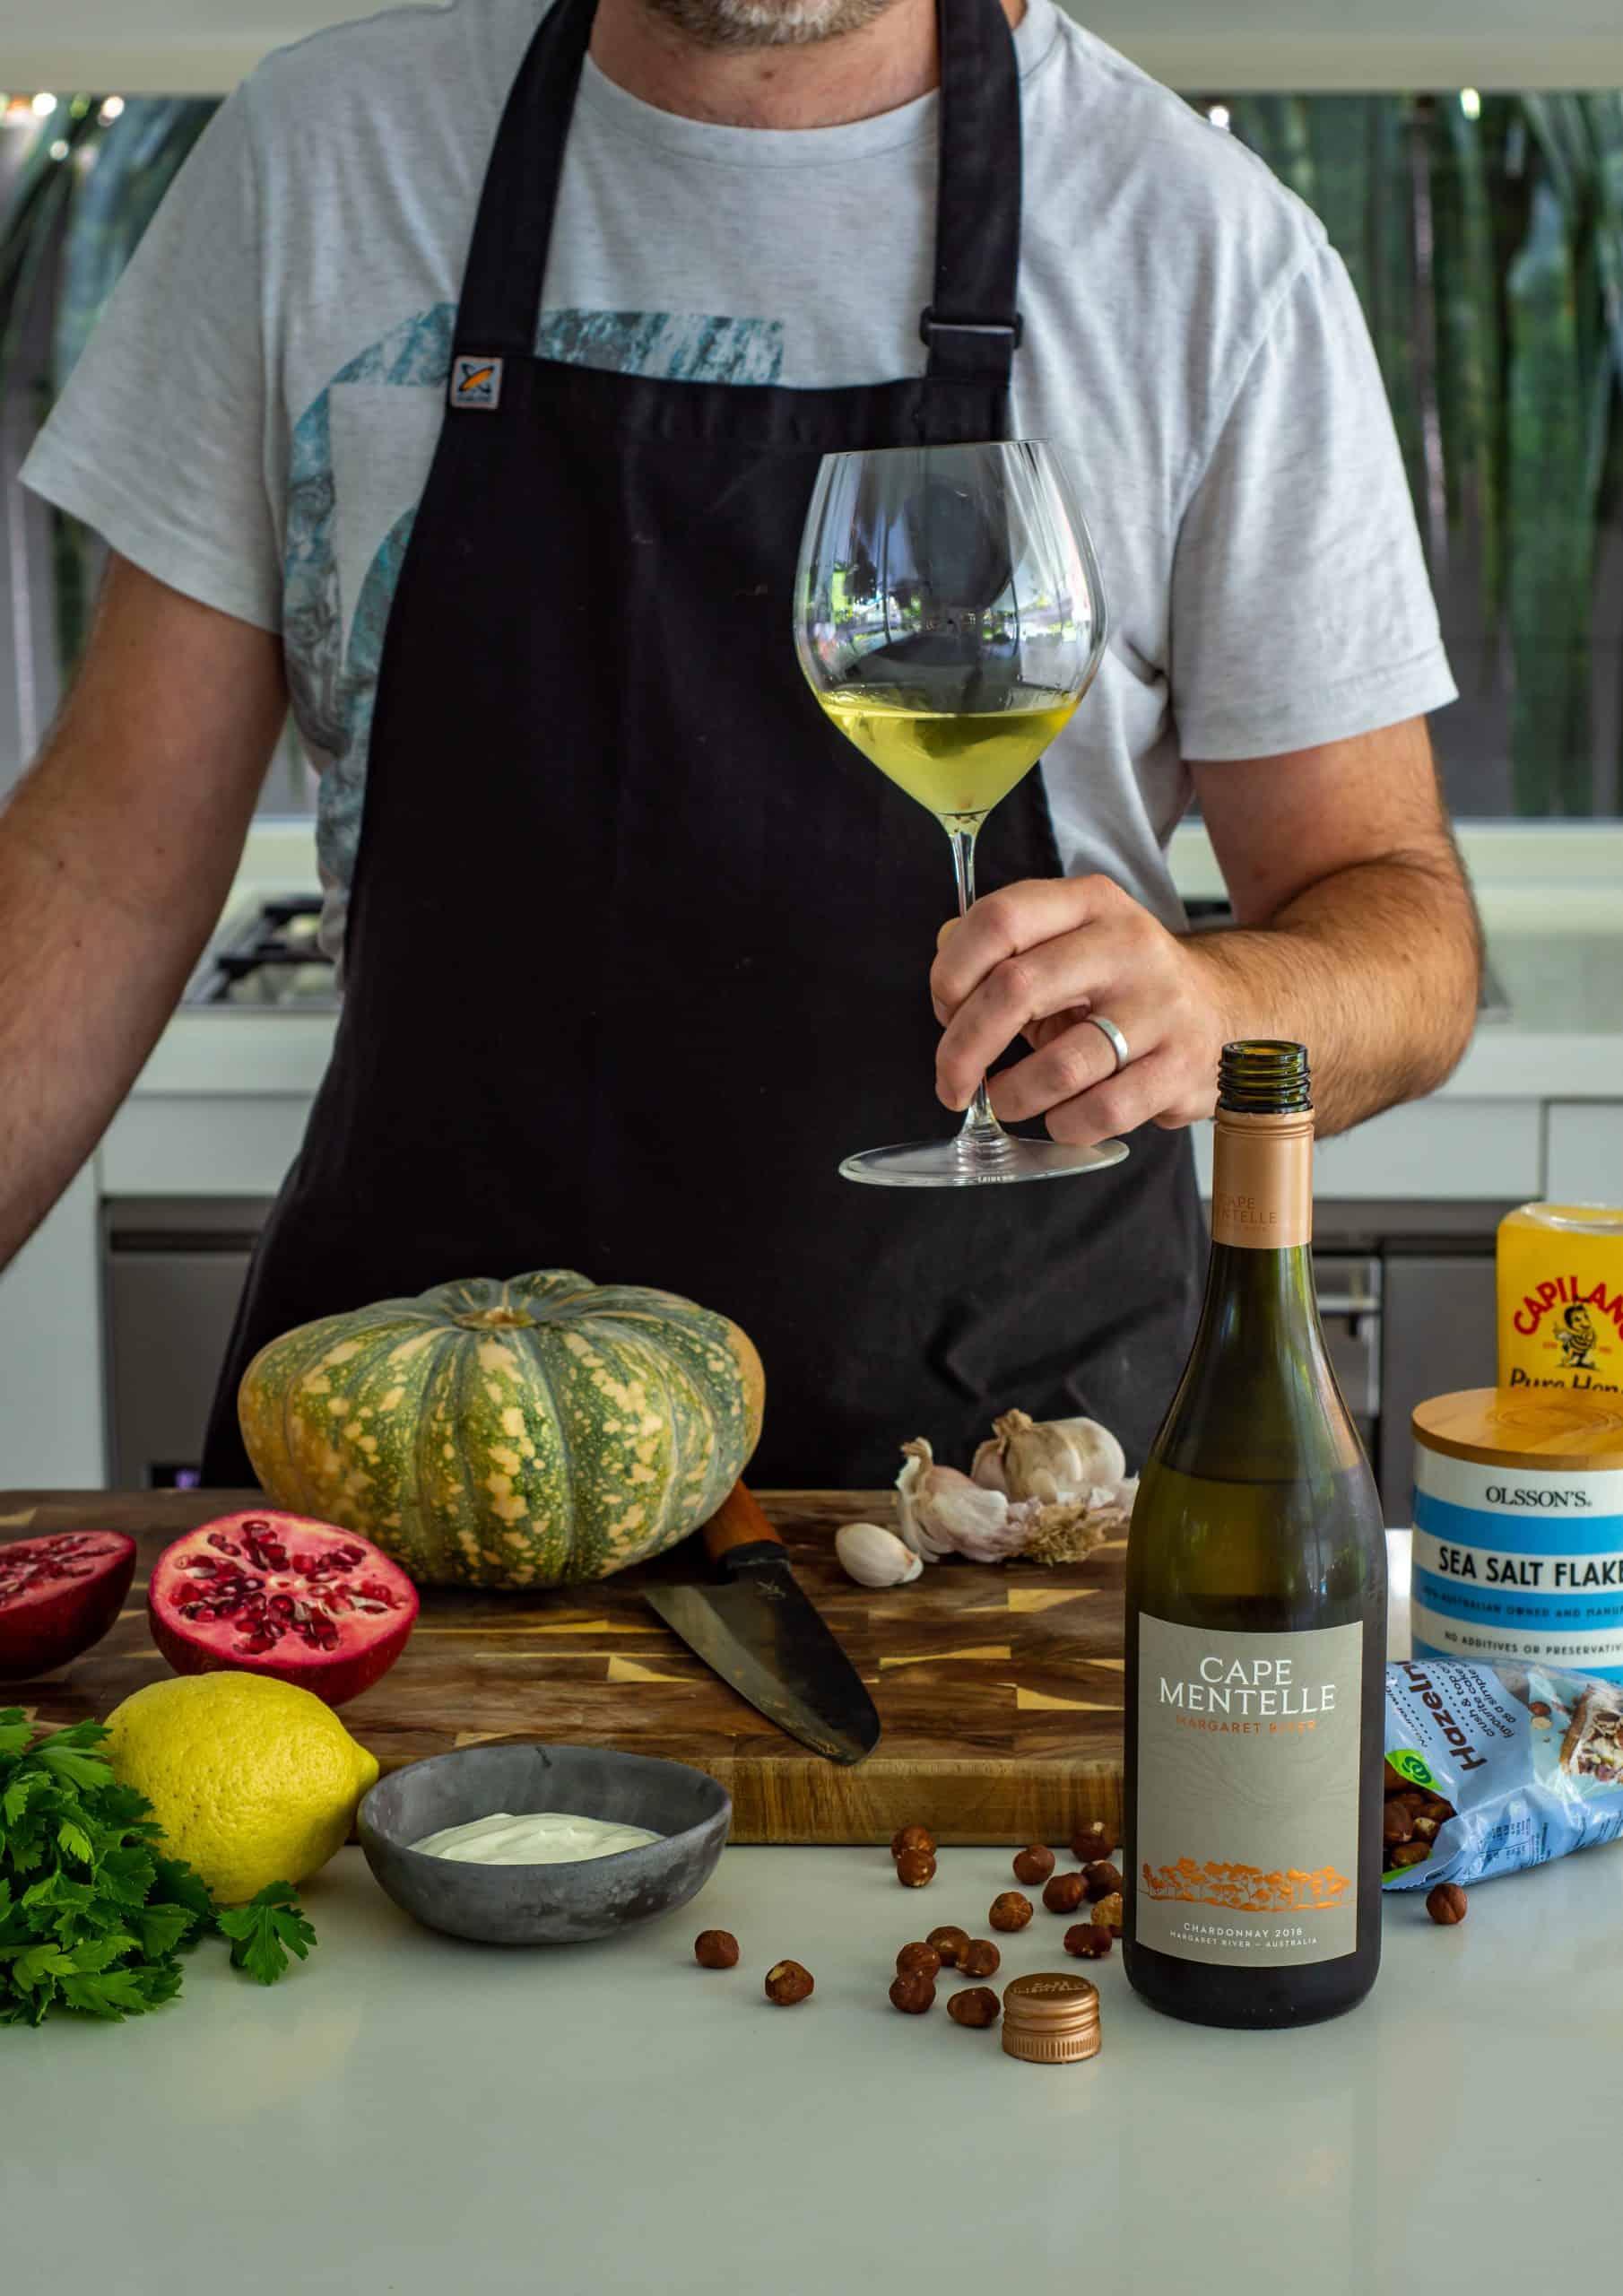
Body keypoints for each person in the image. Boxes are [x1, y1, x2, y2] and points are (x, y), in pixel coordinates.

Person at [4, 0, 1480, 1488]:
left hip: (994, 1486)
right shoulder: (324, 158)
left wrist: (1212, 1006)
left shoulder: (1201, 251)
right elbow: (101, 863)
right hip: (421, 1458)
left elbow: (1399, 937)